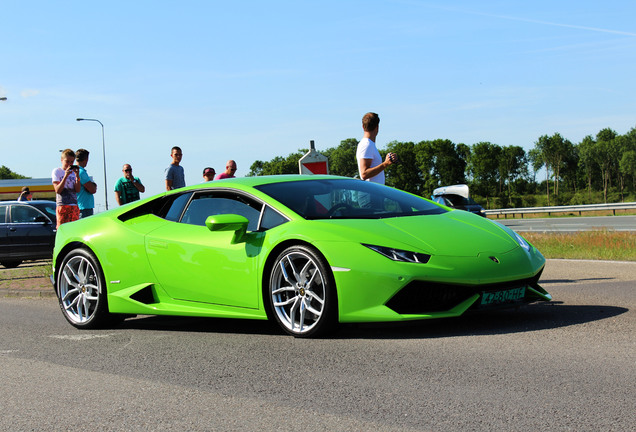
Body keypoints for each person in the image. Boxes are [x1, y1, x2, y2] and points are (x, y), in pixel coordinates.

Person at [356, 112, 396, 185]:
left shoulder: (368, 144)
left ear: (362, 126)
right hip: (369, 194)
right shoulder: (366, 145)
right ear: (377, 127)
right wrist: (385, 163)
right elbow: (364, 174)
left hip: (373, 193)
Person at [52, 148, 81, 228]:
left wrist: (77, 176)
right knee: (63, 229)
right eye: (67, 161)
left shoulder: (73, 173)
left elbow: (77, 190)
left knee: (74, 229)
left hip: (74, 206)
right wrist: (65, 176)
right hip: (63, 205)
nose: (69, 164)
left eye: (71, 162)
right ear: (62, 160)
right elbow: (58, 190)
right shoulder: (57, 171)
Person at [75, 148, 97, 218]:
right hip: (84, 208)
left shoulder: (74, 171)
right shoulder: (81, 172)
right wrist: (93, 185)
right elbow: (92, 189)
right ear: (86, 159)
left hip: (79, 206)